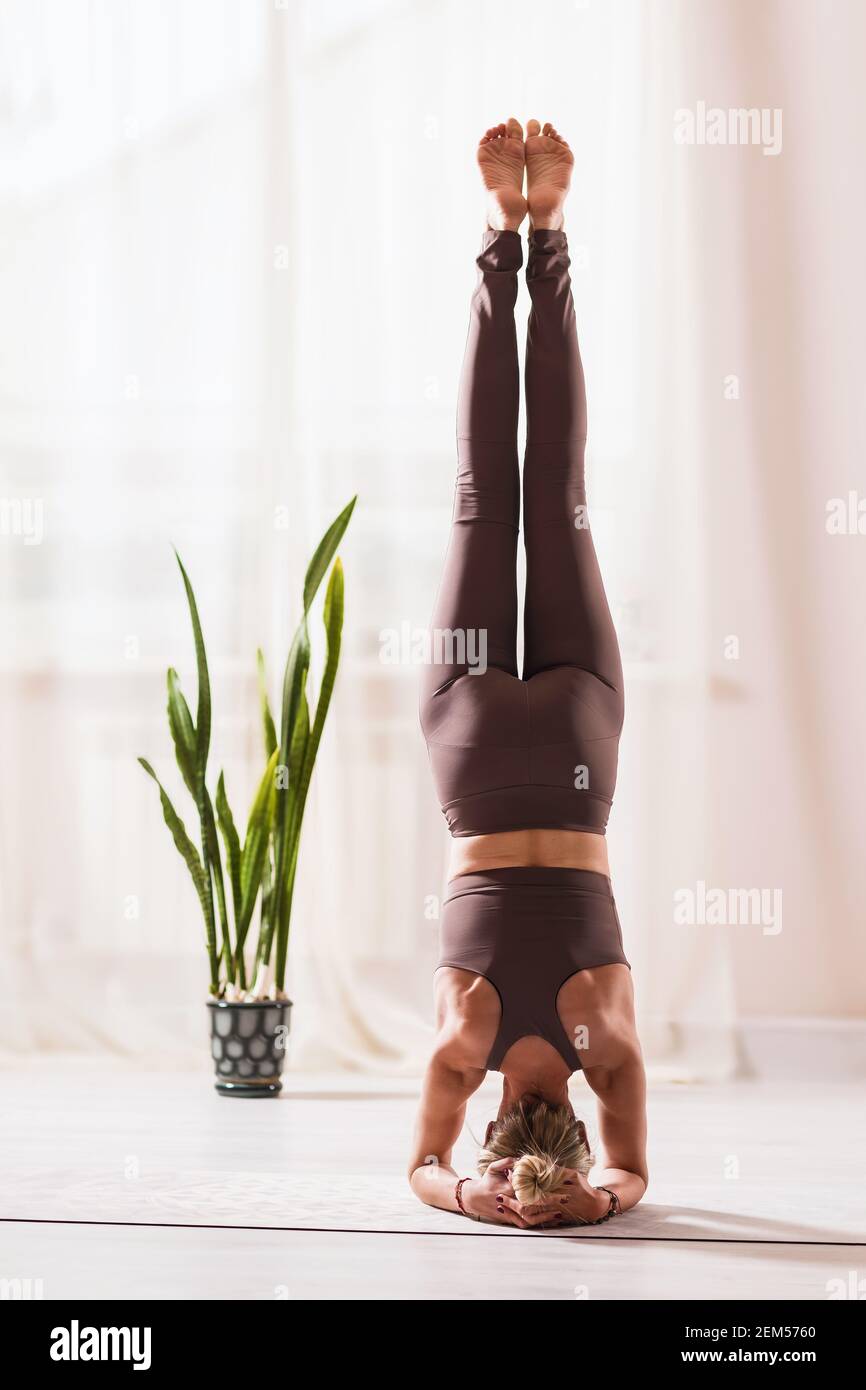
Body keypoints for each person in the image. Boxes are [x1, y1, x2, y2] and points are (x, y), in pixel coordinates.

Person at [409, 119, 647, 1228]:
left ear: (572, 1140)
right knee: (480, 494)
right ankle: (501, 240)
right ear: (497, 1134)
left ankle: (541, 235)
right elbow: (419, 1169)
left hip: (573, 751)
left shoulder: (610, 1040)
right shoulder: (463, 1041)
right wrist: (472, 1200)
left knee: (549, 490)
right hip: (472, 752)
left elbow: (633, 1179)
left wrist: (592, 1205)